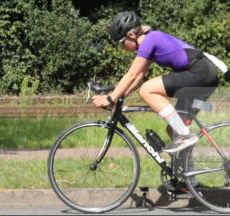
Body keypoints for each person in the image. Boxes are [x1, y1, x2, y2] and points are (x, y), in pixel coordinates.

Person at [92, 10, 221, 153]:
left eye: (122, 42)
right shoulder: (149, 41)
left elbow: (131, 75)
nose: (122, 47)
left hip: (200, 73)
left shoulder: (150, 40)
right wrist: (120, 97)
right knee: (173, 130)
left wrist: (110, 98)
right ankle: (186, 173)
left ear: (131, 35)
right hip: (206, 74)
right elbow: (138, 76)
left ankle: (184, 135)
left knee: (146, 90)